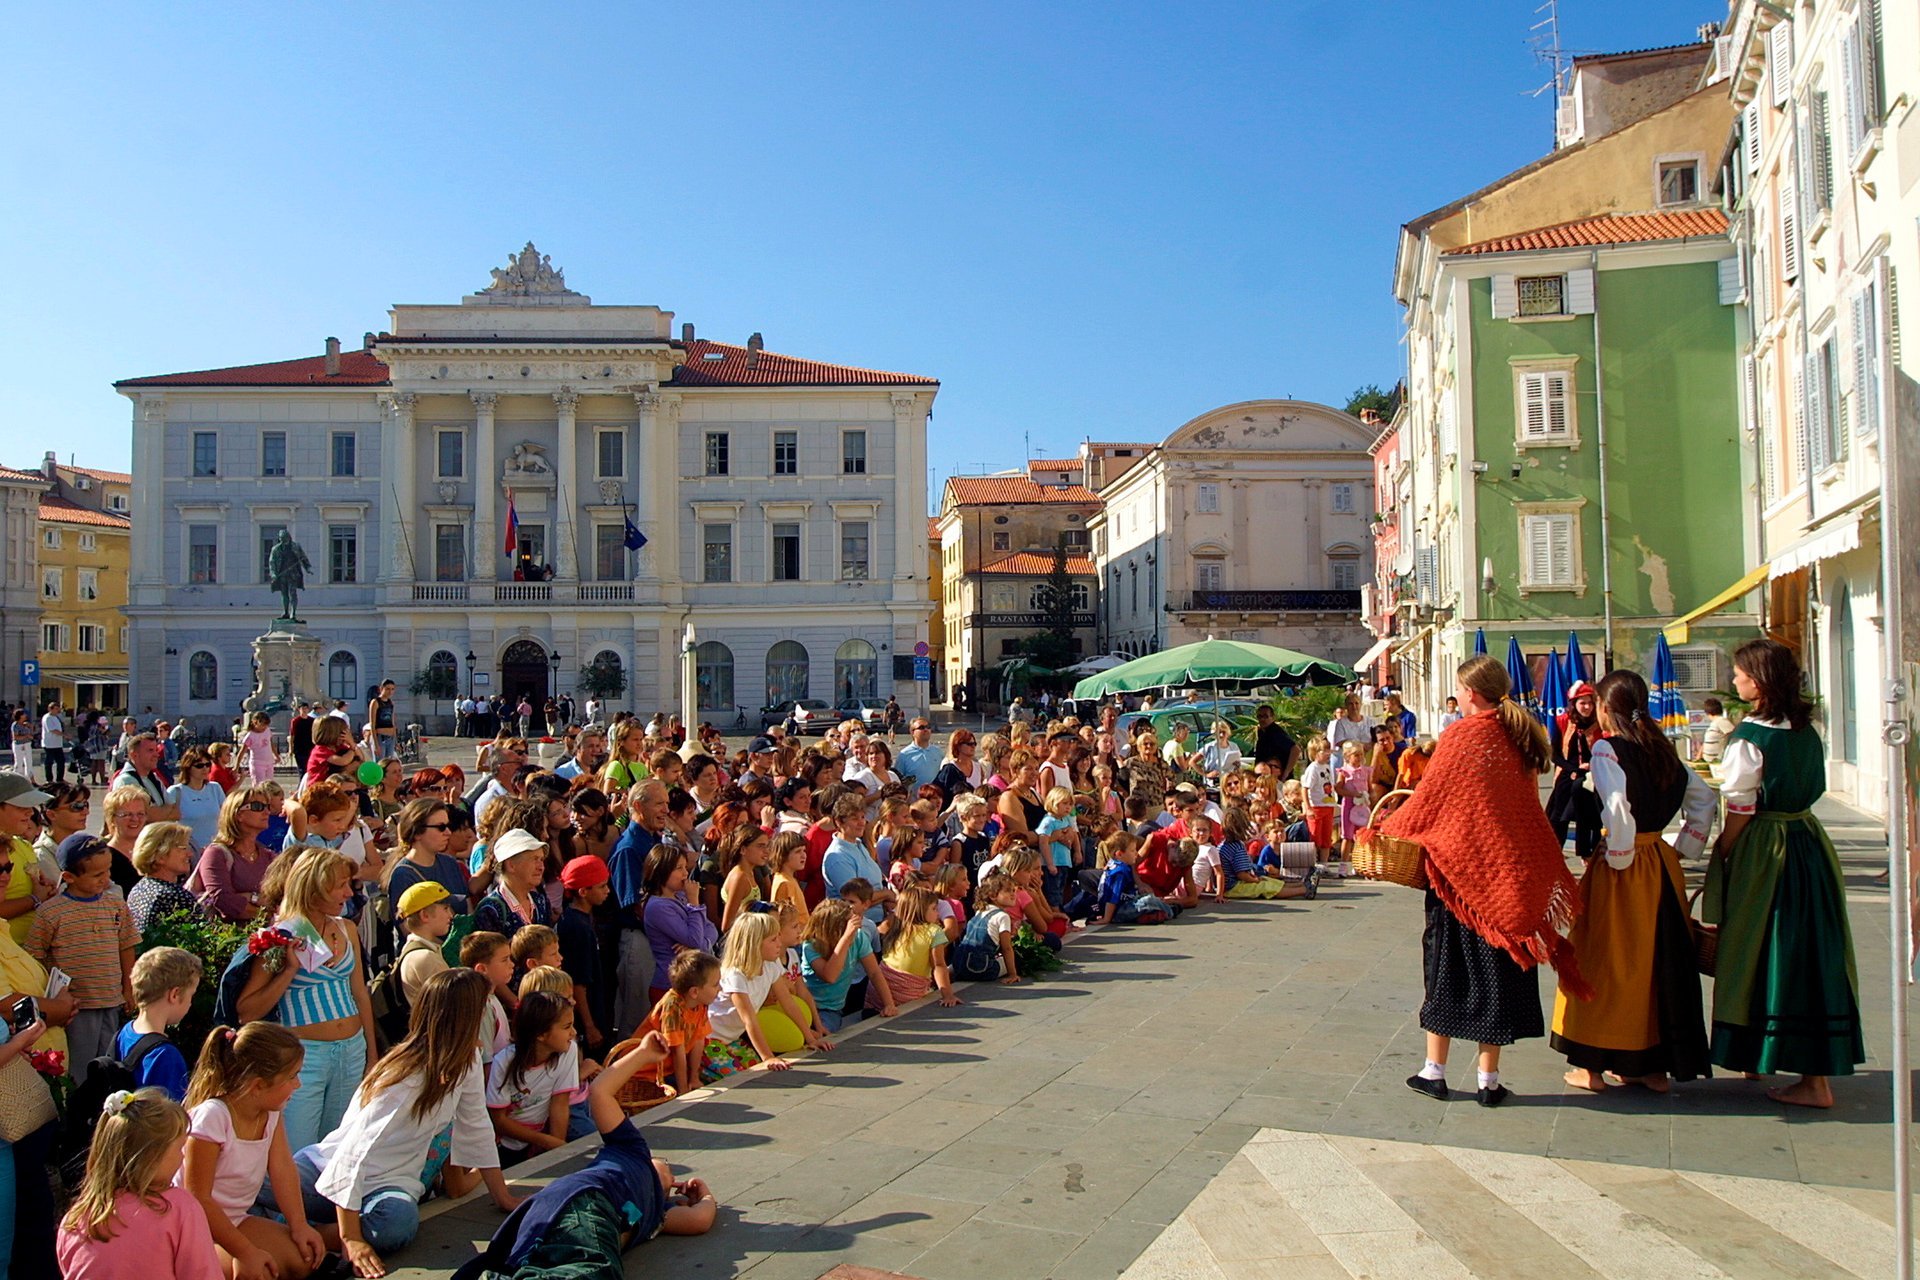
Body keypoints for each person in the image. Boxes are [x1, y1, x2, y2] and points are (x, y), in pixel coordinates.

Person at [1380, 655, 1584, 1107]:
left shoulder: (1462, 735)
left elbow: (1431, 801)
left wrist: (1387, 829)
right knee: (1495, 975)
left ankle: (1434, 1071)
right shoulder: (1519, 735)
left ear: (1469, 692)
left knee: (1445, 969)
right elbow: (1522, 808)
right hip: (1505, 880)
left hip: (1458, 879)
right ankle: (1487, 1081)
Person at [1704, 638, 1864, 1108]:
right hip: (1809, 846)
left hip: (1766, 853)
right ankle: (1782, 1062)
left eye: (1740, 673)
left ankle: (1805, 1078)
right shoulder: (1805, 730)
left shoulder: (1752, 737)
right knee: (1812, 952)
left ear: (1759, 679)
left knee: (1758, 948)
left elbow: (1741, 806)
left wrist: (1724, 851)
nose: (1734, 680)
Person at [293, 970, 520, 1275]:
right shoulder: (407, 1076)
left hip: (389, 1185)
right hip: (328, 1170)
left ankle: (307, 1233)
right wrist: (351, 1237)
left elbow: (477, 1125)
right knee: (261, 1184)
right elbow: (353, 1153)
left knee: (398, 1224)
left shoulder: (466, 1061)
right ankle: (300, 1235)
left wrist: (502, 1196)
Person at [1552, 670, 1715, 1095]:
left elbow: (1617, 810)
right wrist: (1683, 848)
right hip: (1660, 865)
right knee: (1659, 960)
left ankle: (1592, 1066)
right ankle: (1651, 1066)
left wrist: (1620, 855)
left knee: (1605, 959)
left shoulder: (1609, 749)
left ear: (1607, 707)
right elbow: (1703, 799)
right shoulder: (1663, 748)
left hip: (1624, 868)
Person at [450, 1034, 716, 1280]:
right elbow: (600, 1091)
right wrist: (643, 1053)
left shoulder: (657, 1213)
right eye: (665, 1163)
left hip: (546, 1221)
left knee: (534, 1263)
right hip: (588, 1202)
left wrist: (704, 1197)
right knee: (596, 1271)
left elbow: (699, 1220)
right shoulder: (631, 1150)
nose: (670, 1175)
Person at [240, 847, 378, 1154]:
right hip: (305, 1056)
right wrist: (289, 970)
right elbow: (247, 1010)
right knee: (299, 1147)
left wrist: (371, 1051)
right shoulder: (281, 935)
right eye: (340, 885)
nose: (347, 892)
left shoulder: (347, 929)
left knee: (339, 1147)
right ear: (314, 887)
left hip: (351, 1050)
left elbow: (359, 991)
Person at [180, 1022, 328, 1280]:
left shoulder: (271, 1111)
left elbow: (282, 1168)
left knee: (302, 1260)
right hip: (191, 1229)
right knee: (257, 1272)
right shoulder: (212, 1118)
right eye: (292, 1076)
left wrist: (299, 1224)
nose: (298, 1085)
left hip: (236, 1219)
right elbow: (198, 1200)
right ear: (258, 1085)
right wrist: (245, 1252)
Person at [55, 1088, 220, 1278]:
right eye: (179, 1148)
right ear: (151, 1156)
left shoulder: (75, 1218)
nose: (182, 1156)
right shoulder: (180, 1208)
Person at [29, 833, 139, 1081]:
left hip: (111, 998)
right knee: (80, 1067)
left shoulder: (115, 905)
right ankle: (78, 1112)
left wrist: (128, 987)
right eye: (97, 875)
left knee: (108, 1062)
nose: (106, 879)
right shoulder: (51, 912)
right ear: (69, 877)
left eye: (108, 871)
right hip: (76, 1006)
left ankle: (103, 1109)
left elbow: (126, 945)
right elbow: (35, 955)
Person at [487, 990, 582, 1165]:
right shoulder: (504, 1062)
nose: (573, 1033)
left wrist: (556, 1152)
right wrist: (544, 1140)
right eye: (567, 1027)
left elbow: (559, 1104)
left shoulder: (568, 1050)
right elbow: (499, 1120)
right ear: (541, 1034)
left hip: (539, 1140)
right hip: (503, 1145)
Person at [115, 946, 201, 1100]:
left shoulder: (124, 1033)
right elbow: (172, 1119)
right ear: (174, 994)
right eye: (191, 995)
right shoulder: (165, 1056)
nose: (190, 1003)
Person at [190, 786, 283, 923]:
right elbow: (223, 900)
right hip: (228, 937)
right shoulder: (217, 853)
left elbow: (279, 898)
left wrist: (245, 898)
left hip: (264, 934)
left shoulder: (267, 856)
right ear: (238, 814)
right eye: (258, 806)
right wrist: (256, 900)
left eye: (267, 807)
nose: (266, 812)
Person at [1548, 682, 1602, 861]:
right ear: (1574, 704)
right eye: (1582, 703)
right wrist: (1573, 769)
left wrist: (1592, 765)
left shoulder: (1600, 723)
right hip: (1567, 774)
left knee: (1590, 818)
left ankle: (1588, 856)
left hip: (1594, 776)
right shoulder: (1563, 721)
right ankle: (1555, 855)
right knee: (1558, 818)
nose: (1586, 707)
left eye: (1590, 703)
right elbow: (1554, 754)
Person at [0, 773, 50, 944]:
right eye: (21, 806)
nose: (30, 812)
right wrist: (35, 899)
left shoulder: (23, 845)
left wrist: (47, 891)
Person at [391, 881, 453, 1009]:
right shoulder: (426, 957)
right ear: (425, 915)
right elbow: (452, 1006)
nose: (450, 915)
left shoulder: (418, 950)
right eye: (445, 908)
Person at [1251, 704, 1298, 778]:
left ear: (1273, 717)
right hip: (1265, 776)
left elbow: (1295, 749)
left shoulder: (1276, 732)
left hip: (1277, 776)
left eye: (1266, 716)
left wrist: (1286, 772)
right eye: (1260, 716)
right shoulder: (1262, 732)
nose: (1262, 719)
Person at [239, 714, 278, 787]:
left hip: (269, 762)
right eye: (262, 725)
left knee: (269, 785)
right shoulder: (250, 736)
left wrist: (276, 755)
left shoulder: (267, 730)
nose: (264, 727)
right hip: (257, 763)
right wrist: (236, 765)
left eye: (266, 725)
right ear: (255, 722)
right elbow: (242, 751)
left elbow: (270, 744)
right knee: (259, 786)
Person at [1700, 696, 1736, 765]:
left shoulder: (1721, 721)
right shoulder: (1714, 723)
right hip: (1709, 760)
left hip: (1718, 760)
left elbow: (1733, 733)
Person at [40, 701, 67, 786]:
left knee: (61, 761)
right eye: (55, 709)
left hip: (57, 743)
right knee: (49, 761)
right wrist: (64, 735)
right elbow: (52, 730)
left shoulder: (56, 717)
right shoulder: (47, 718)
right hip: (49, 743)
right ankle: (49, 779)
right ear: (50, 709)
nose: (57, 711)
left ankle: (60, 779)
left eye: (58, 709)